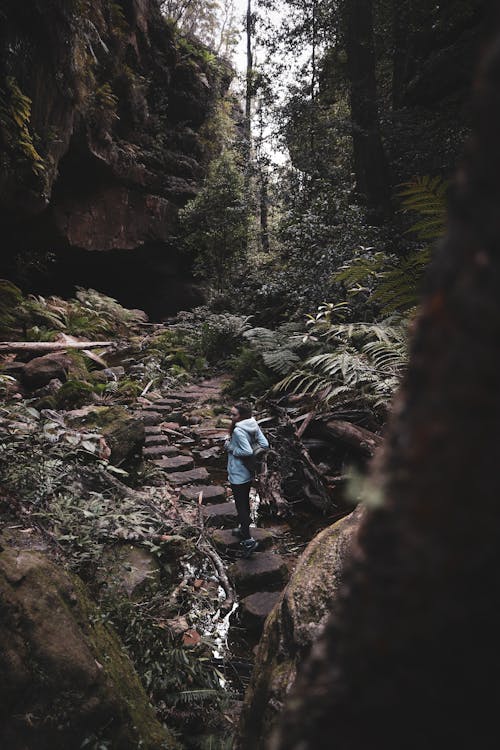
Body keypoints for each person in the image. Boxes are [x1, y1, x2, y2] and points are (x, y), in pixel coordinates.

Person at [224, 402, 269, 554]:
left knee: (241, 506)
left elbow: (247, 451)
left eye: (234, 414)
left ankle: (249, 540)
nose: (231, 417)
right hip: (249, 471)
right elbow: (265, 444)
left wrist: (231, 447)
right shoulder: (253, 424)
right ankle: (244, 529)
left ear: (242, 415)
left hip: (238, 473)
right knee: (244, 502)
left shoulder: (238, 430)